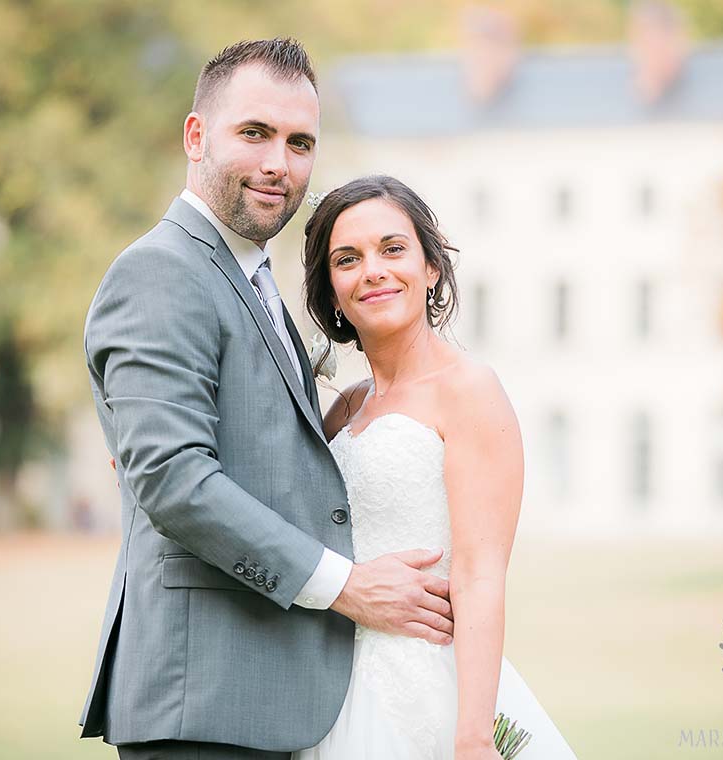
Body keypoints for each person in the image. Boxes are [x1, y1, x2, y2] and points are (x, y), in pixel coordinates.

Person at [79, 40, 454, 760]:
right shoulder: (161, 272)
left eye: (300, 142)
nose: (279, 163)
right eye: (254, 133)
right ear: (196, 137)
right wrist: (346, 586)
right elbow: (174, 480)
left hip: (273, 697)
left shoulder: (249, 278)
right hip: (203, 705)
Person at [293, 176, 578, 760]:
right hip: (331, 692)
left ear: (429, 266)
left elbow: (480, 573)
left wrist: (472, 735)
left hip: (432, 689)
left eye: (392, 249)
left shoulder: (470, 390)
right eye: (347, 259)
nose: (372, 270)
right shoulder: (344, 408)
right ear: (332, 291)